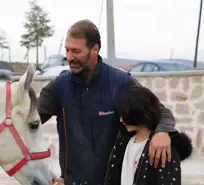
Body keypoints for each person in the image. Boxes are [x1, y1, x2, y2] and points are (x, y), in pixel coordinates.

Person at [37, 19, 177, 185]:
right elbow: (27, 120)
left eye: (76, 51)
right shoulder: (58, 87)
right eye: (67, 50)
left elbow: (160, 112)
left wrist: (162, 132)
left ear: (95, 49)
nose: (69, 57)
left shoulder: (121, 82)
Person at [104, 85, 193, 185]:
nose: (121, 120)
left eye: (125, 115)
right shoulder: (123, 141)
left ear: (138, 112)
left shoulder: (163, 149)